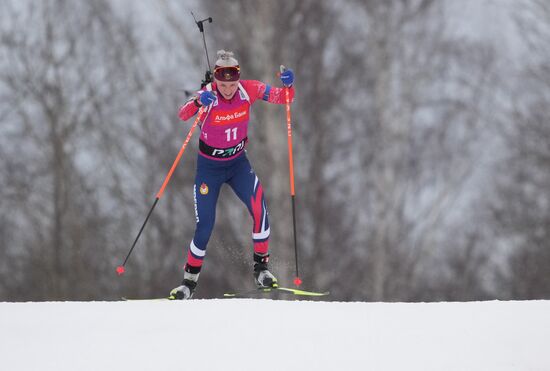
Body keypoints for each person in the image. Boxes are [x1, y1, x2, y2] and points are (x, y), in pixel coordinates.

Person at [169, 50, 295, 299]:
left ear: (238, 80)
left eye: (232, 84)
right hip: (209, 169)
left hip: (238, 163)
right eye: (222, 85)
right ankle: (188, 283)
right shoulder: (208, 96)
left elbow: (284, 97)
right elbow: (182, 114)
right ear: (216, 80)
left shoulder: (249, 90)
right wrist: (197, 103)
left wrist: (289, 84)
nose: (227, 89)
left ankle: (261, 270)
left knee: (260, 209)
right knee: (204, 226)